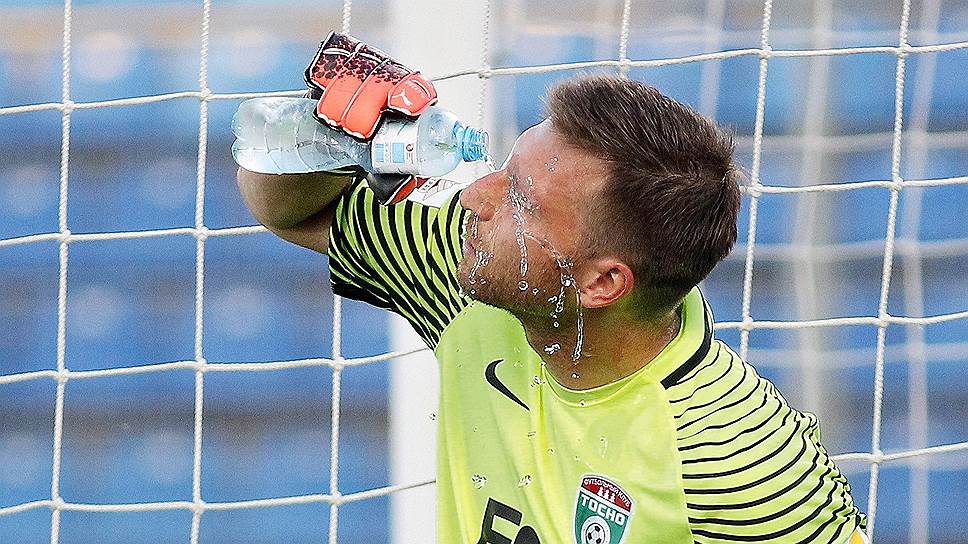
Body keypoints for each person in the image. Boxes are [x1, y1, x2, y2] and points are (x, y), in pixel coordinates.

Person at [237, 33, 868, 544]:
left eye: (521, 200)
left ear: (603, 282)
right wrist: (328, 142)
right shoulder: (472, 276)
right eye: (505, 170)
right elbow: (289, 212)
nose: (475, 197)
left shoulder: (738, 460)